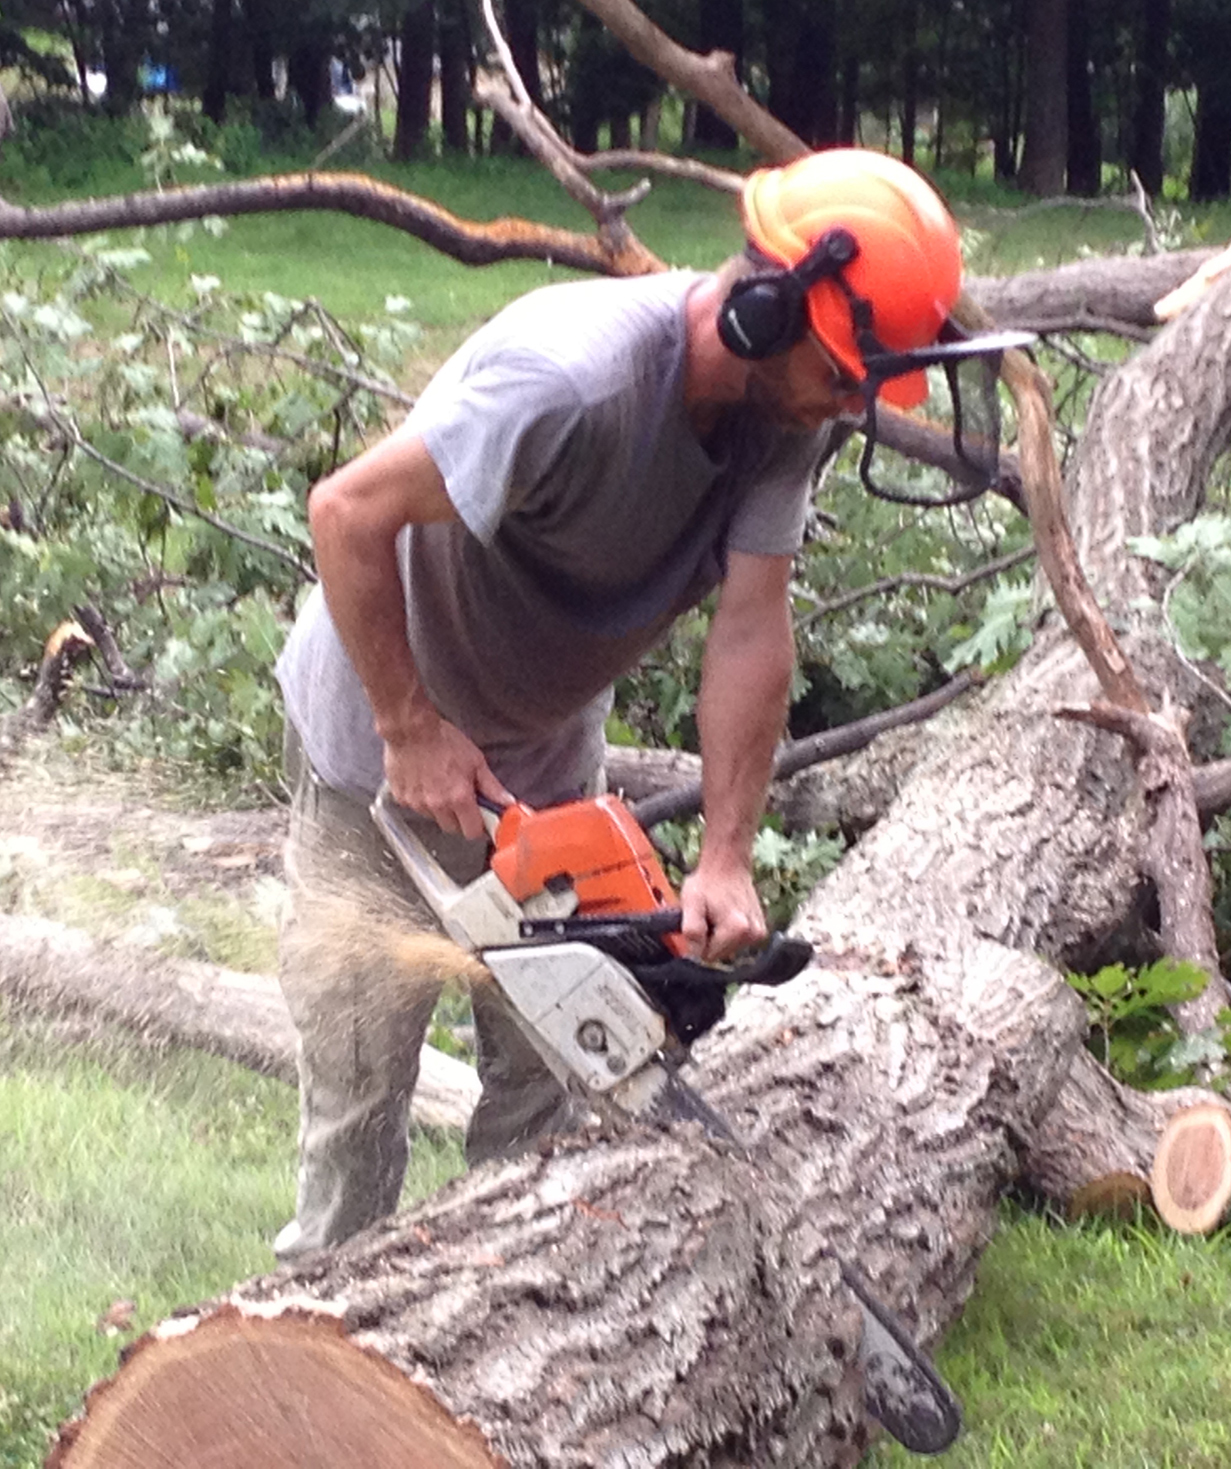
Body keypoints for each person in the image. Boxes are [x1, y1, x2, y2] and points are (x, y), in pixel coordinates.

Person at [271, 146, 973, 1261]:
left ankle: (490, 1317)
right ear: (757, 312)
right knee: (361, 1090)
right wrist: (409, 727)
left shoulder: (786, 420)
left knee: (555, 1069)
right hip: (381, 742)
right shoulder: (569, 382)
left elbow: (751, 625)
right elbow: (346, 511)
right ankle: (316, 1322)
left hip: (543, 756)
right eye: (843, 372)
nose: (851, 401)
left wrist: (727, 855)